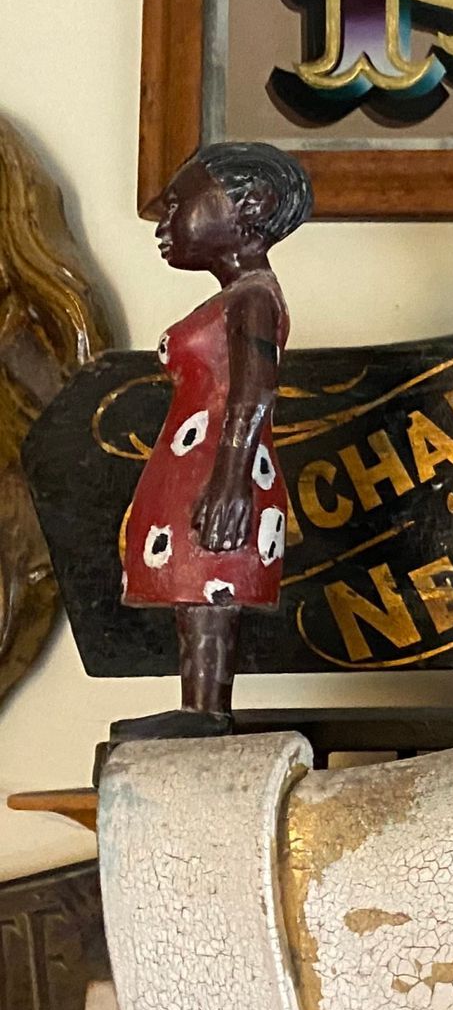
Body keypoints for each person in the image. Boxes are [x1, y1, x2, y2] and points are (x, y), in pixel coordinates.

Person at [121, 142, 309, 728]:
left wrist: (231, 480)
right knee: (196, 593)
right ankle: (199, 706)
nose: (164, 219)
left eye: (178, 203)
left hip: (219, 466)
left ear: (250, 204)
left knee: (209, 589)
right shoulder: (237, 297)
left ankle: (207, 712)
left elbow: (255, 390)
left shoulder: (253, 298)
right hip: (199, 460)